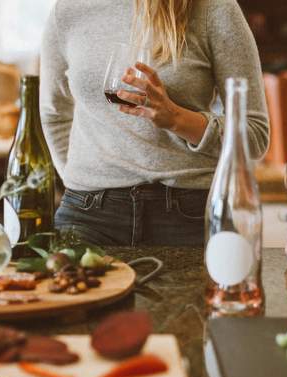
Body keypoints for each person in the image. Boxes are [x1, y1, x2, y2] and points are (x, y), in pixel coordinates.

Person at [40, 0, 269, 247]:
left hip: (189, 213)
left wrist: (176, 118)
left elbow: (255, 135)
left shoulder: (214, 8)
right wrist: (80, 178)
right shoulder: (67, 10)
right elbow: (54, 114)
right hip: (88, 213)